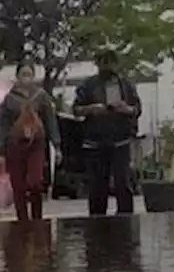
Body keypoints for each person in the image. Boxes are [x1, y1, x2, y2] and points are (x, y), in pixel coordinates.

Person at [72, 49, 141, 216]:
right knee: (97, 187)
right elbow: (76, 109)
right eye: (103, 61)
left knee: (122, 184)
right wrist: (91, 109)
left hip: (120, 141)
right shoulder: (88, 85)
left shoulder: (125, 85)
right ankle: (97, 225)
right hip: (95, 143)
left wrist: (126, 109)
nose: (107, 66)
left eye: (110, 62)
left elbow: (137, 109)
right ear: (97, 64)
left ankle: (125, 222)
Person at [0, 61, 61, 220]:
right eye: (23, 74)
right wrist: (1, 149)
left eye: (29, 74)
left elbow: (50, 120)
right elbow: (3, 125)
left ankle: (37, 218)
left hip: (36, 145)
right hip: (15, 145)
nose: (26, 78)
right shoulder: (9, 99)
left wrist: (57, 144)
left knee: (35, 182)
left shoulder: (41, 96)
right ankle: (22, 221)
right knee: (18, 186)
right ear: (17, 76)